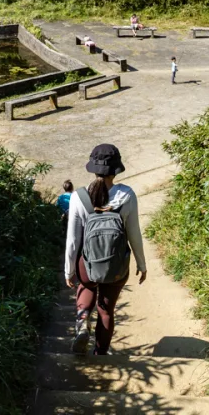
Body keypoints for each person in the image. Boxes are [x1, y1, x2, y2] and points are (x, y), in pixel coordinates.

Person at [65, 144, 147, 355]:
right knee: (106, 310)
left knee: (87, 288)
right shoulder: (127, 195)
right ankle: (100, 353)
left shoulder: (78, 197)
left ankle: (83, 320)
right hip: (116, 264)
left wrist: (69, 270)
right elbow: (134, 234)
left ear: (93, 168)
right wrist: (141, 264)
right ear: (117, 169)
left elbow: (73, 240)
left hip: (87, 263)